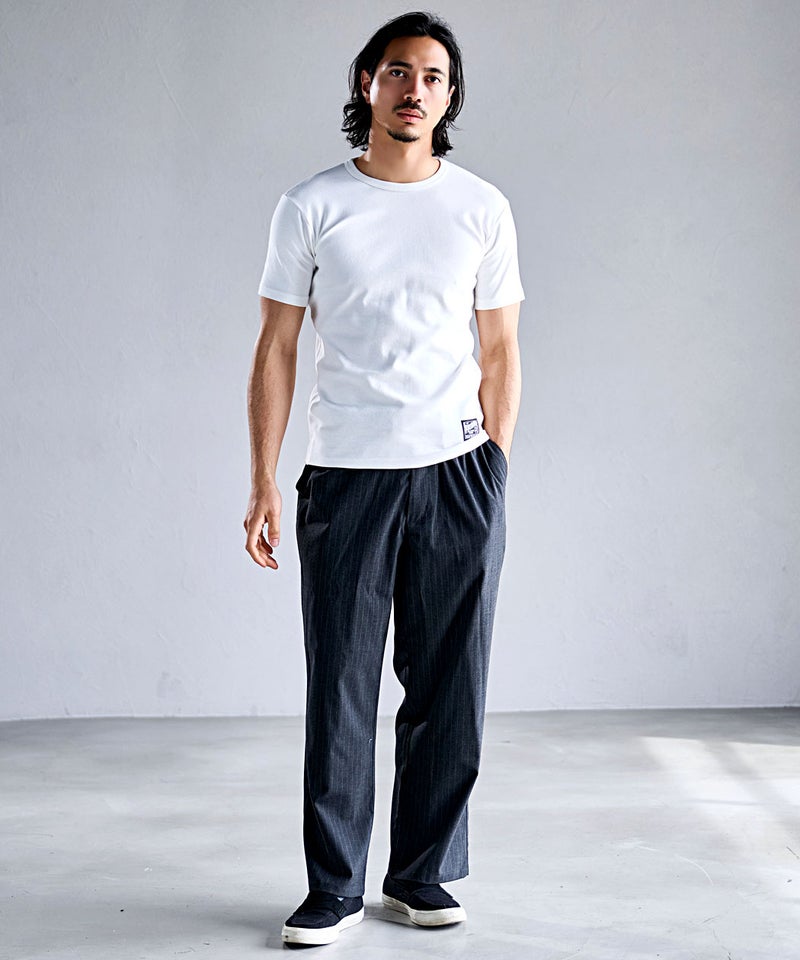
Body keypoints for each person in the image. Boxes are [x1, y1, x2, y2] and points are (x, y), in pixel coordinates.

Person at [244, 10, 525, 947]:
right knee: (342, 689)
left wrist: (494, 464)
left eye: (434, 77)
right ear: (367, 83)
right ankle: (334, 888)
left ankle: (420, 875)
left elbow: (501, 347)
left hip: (457, 475)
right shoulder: (311, 206)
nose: (416, 90)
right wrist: (263, 480)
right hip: (347, 476)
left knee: (451, 685)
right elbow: (276, 347)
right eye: (399, 71)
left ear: (450, 97)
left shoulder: (481, 207)